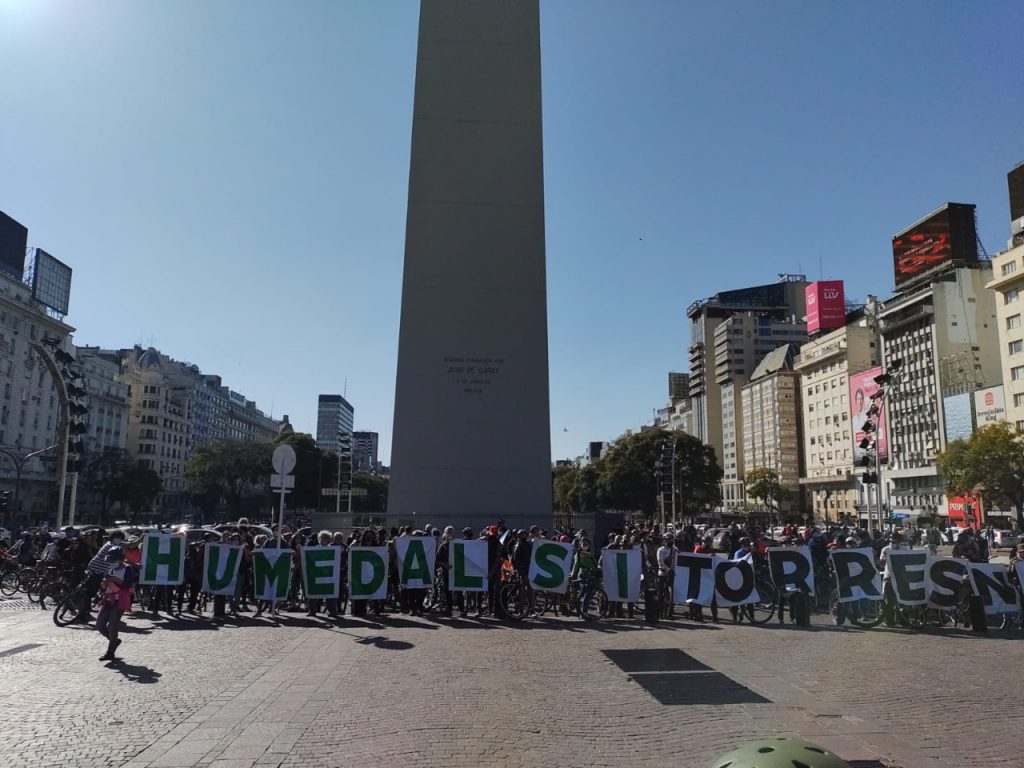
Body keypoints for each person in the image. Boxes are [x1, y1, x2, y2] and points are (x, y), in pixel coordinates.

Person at [96, 546, 134, 662]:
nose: (111, 563)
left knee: (113, 625)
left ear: (121, 559)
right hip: (108, 598)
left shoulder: (127, 568)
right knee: (100, 625)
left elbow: (127, 584)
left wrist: (114, 579)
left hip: (120, 600)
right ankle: (114, 641)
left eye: (113, 560)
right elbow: (104, 586)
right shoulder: (109, 569)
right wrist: (104, 584)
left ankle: (110, 652)